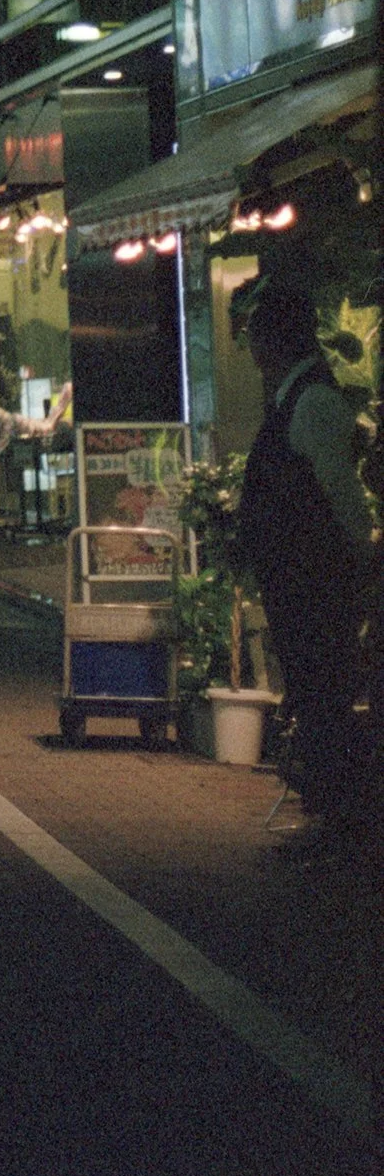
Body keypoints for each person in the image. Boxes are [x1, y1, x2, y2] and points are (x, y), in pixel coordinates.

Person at [238, 286, 379, 848]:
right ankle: (331, 811)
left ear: (273, 342)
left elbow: (341, 492)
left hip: (316, 578)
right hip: (302, 575)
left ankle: (339, 817)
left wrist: (364, 555)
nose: (249, 351)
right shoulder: (297, 395)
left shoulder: (313, 400)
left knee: (324, 689)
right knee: (317, 687)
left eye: (252, 338)